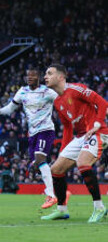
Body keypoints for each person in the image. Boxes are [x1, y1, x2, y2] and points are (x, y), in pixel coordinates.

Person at [41, 64, 108, 223]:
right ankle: (62, 210)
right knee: (56, 169)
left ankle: (99, 207)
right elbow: (66, 127)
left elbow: (103, 103)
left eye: (49, 73)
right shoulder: (57, 102)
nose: (45, 76)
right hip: (81, 137)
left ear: (60, 77)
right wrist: (63, 150)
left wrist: (97, 124)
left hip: (98, 132)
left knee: (83, 163)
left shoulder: (76, 89)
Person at [0, 69, 58, 208]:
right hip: (32, 134)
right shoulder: (22, 91)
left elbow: (63, 100)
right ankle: (59, 190)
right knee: (37, 164)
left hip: (46, 130)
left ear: (39, 77)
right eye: (28, 75)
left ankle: (51, 195)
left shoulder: (47, 91)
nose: (30, 77)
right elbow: (10, 108)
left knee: (40, 158)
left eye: (33, 75)